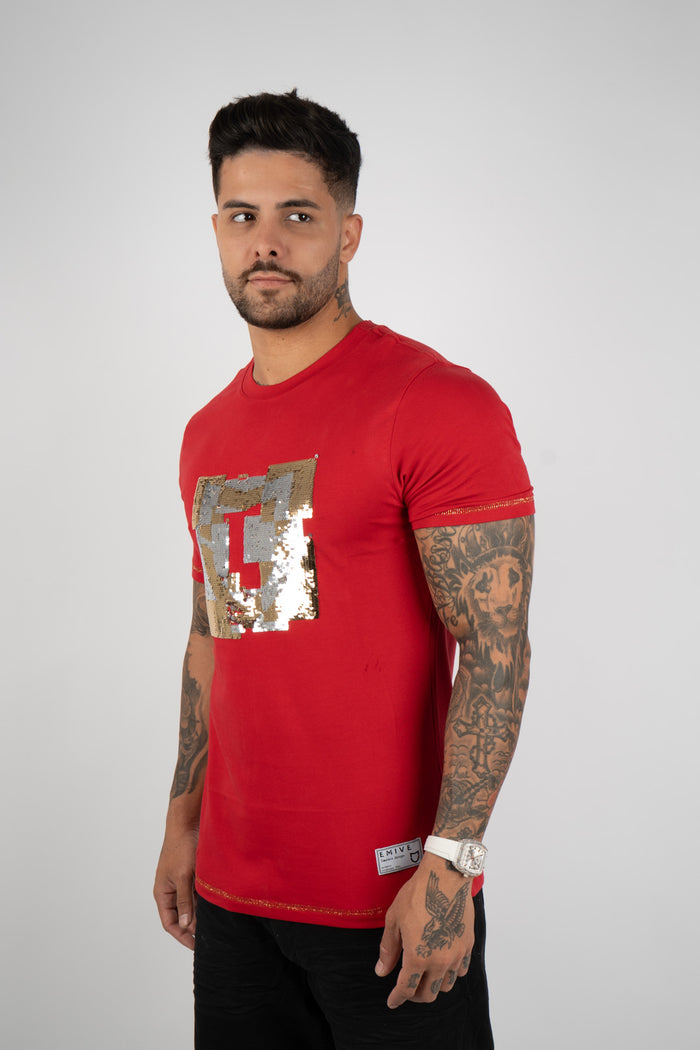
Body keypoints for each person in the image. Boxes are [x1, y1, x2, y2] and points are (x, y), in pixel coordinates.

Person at [154, 89, 534, 1050]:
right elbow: (215, 636)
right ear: (216, 230)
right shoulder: (208, 432)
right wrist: (182, 821)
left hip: (391, 899)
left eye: (298, 215)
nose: (265, 242)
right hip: (234, 899)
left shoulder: (436, 403)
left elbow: (497, 651)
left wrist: (450, 866)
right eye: (242, 216)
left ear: (349, 234)